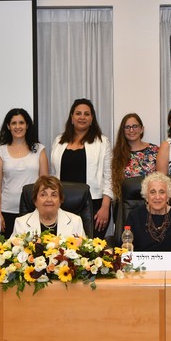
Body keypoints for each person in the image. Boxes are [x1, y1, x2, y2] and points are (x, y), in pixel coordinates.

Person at [50, 98, 113, 239]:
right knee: (63, 249)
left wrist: (105, 207)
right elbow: (54, 174)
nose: (82, 117)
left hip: (93, 206)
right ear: (72, 117)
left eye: (86, 114)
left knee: (90, 250)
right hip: (62, 205)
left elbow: (109, 177)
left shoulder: (102, 142)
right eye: (78, 113)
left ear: (92, 119)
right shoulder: (59, 141)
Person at [0, 108, 49, 239]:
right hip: (7, 210)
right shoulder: (0, 152)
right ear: (8, 126)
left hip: (33, 209)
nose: (18, 127)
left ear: (27, 125)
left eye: (21, 123)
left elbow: (45, 182)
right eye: (14, 123)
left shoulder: (39, 149)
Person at [124, 172, 171, 255]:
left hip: (169, 266)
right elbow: (127, 248)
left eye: (162, 192)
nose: (157, 197)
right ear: (146, 196)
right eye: (152, 192)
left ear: (168, 196)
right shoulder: (134, 215)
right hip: (142, 265)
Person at [11, 175, 85, 238]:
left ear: (60, 200)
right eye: (43, 195)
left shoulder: (75, 221)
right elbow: (14, 251)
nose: (49, 199)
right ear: (35, 200)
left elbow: (83, 252)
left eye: (54, 195)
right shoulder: (21, 223)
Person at [111, 113, 158, 201]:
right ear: (123, 131)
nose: (131, 130)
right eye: (127, 127)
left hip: (151, 203)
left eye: (135, 126)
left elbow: (161, 179)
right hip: (126, 204)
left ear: (142, 129)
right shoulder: (117, 153)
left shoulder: (155, 150)